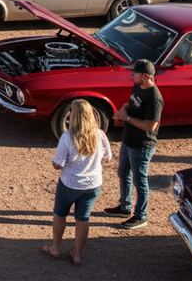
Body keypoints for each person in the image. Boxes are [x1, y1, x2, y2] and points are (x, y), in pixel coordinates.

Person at [44, 100, 112, 264]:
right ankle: (77, 253)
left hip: (70, 182)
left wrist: (56, 163)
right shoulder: (100, 134)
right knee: (83, 218)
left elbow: (58, 164)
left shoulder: (67, 137)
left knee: (60, 214)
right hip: (93, 183)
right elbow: (108, 158)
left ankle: (56, 247)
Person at [104, 59, 163, 229]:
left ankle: (141, 216)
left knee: (140, 180)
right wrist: (123, 110)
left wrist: (127, 118)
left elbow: (151, 126)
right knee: (123, 173)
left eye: (135, 73)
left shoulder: (154, 98)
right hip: (128, 140)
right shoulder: (138, 86)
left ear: (145, 76)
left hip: (142, 145)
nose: (132, 75)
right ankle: (125, 207)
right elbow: (131, 103)